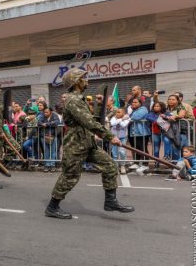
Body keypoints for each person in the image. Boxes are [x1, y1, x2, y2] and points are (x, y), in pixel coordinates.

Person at [45, 68, 134, 219]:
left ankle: (110, 201)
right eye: (83, 78)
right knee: (70, 176)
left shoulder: (80, 99)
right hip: (75, 144)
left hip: (87, 142)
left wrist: (99, 105)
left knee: (110, 166)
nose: (87, 80)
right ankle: (52, 207)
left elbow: (92, 119)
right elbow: (88, 122)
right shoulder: (73, 100)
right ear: (76, 81)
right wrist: (109, 136)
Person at [127, 98, 150, 171]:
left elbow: (135, 117)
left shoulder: (143, 109)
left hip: (142, 132)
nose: (133, 103)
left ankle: (145, 164)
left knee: (142, 148)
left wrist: (128, 117)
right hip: (134, 132)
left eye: (135, 102)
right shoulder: (134, 110)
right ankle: (136, 163)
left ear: (140, 103)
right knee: (135, 148)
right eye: (132, 102)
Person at [37, 106, 60, 172]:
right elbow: (39, 123)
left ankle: (52, 165)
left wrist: (46, 124)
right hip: (43, 136)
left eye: (47, 112)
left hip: (53, 136)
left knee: (53, 151)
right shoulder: (42, 116)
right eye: (44, 112)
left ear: (51, 112)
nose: (45, 113)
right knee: (46, 151)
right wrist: (47, 124)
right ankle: (46, 165)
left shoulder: (55, 116)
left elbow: (56, 122)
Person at [109, 108, 130, 174]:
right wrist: (121, 119)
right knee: (114, 153)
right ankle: (116, 167)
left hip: (122, 137)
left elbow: (123, 125)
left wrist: (120, 120)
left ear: (123, 113)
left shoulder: (127, 118)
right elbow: (112, 123)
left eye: (119, 112)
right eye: (116, 112)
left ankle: (122, 166)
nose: (117, 113)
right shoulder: (113, 118)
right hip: (114, 137)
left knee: (122, 152)